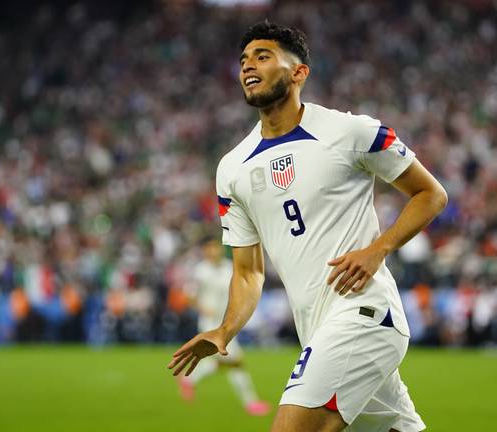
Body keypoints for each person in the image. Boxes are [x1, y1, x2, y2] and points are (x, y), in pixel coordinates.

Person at [169, 21, 447, 432]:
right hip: (316, 328)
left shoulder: (351, 131)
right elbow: (248, 271)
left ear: (299, 72)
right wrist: (226, 329)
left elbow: (431, 194)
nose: (248, 66)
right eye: (244, 60)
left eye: (263, 56)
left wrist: (377, 250)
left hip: (364, 314)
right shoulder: (232, 169)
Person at [177, 236, 271, 416]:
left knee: (218, 363)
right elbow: (189, 296)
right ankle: (251, 403)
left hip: (225, 321)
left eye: (215, 248)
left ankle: (189, 380)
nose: (213, 251)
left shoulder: (229, 267)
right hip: (209, 324)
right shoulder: (200, 271)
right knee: (236, 362)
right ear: (205, 251)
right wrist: (203, 308)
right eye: (209, 248)